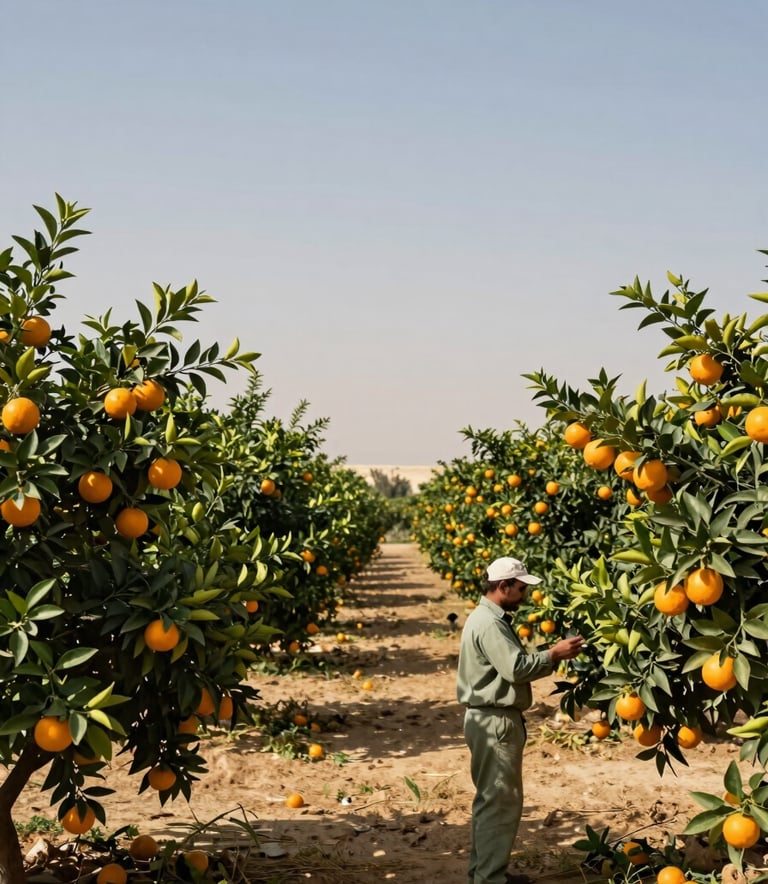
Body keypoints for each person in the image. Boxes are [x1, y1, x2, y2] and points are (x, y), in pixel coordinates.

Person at [456, 556, 585, 884]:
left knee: (492, 801)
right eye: (521, 588)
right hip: (495, 722)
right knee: (500, 803)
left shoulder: (487, 618)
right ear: (503, 587)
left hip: (488, 719)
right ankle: (489, 878)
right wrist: (553, 654)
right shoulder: (489, 623)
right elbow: (514, 669)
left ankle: (484, 873)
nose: (525, 595)